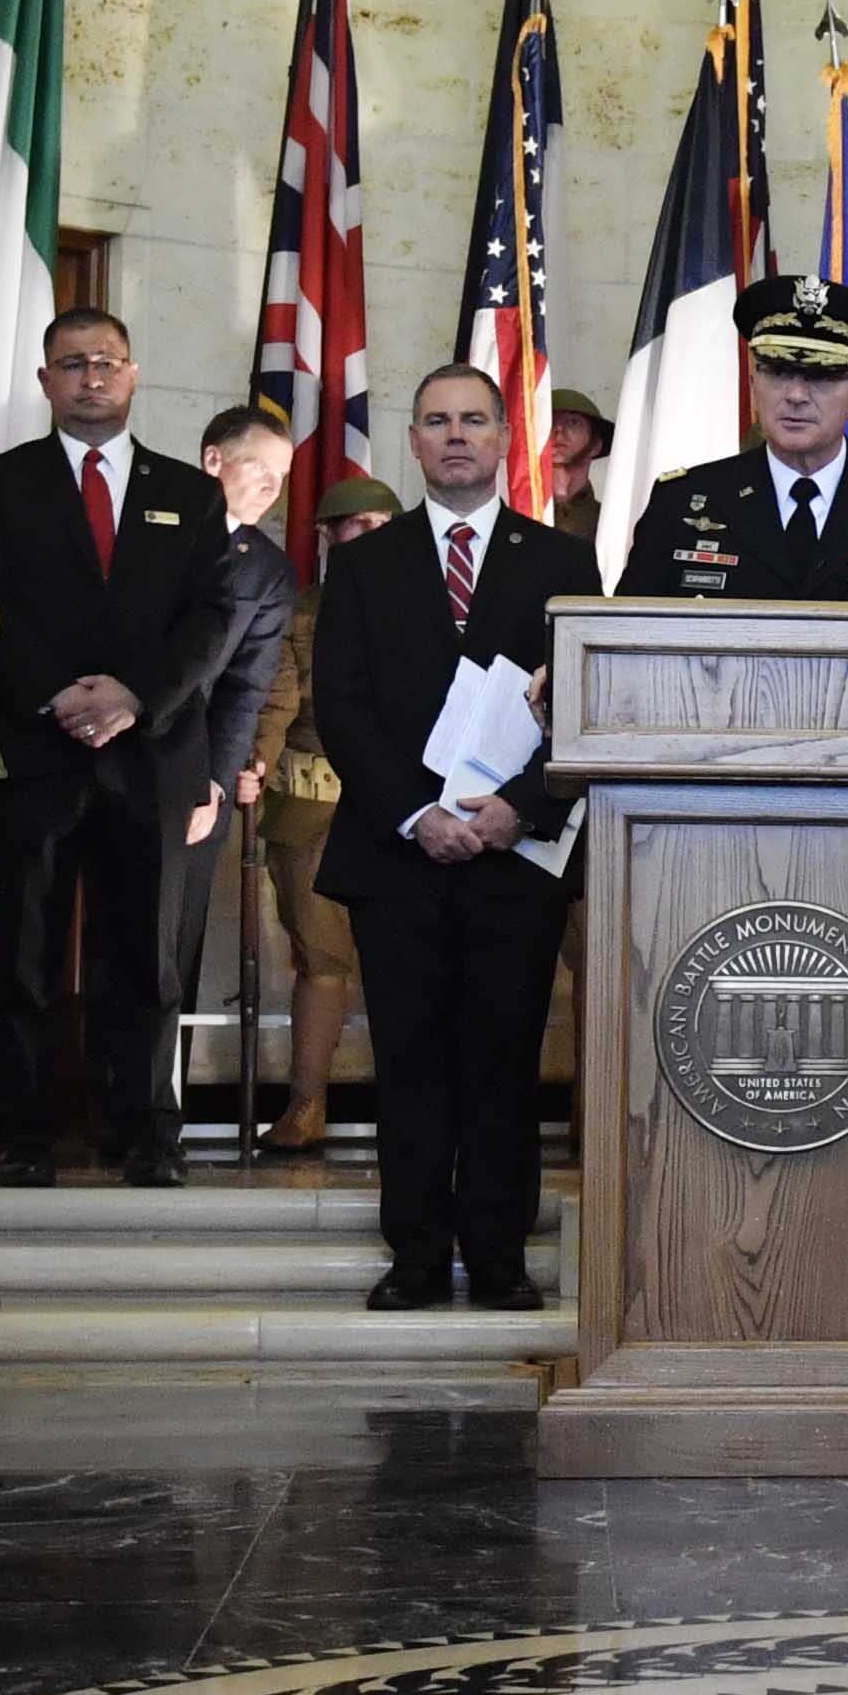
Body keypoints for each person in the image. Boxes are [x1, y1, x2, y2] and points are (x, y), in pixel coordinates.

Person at [314, 366, 594, 1311]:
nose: (456, 435)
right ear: (414, 441)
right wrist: (417, 815)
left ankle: (503, 1259)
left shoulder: (561, 561)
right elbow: (342, 708)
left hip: (517, 857)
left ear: (506, 434)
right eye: (435, 420)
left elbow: (587, 705)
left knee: (506, 1059)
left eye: (474, 419)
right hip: (400, 859)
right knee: (411, 1059)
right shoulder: (363, 562)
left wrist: (519, 806)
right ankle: (419, 1257)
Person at [0, 312, 250, 1184]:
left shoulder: (191, 492)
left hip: (153, 753)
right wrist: (60, 697)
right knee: (26, 953)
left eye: (106, 363)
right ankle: (24, 1134)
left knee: (146, 954)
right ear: (46, 381)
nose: (91, 377)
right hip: (37, 751)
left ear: (133, 376)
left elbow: (209, 620)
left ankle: (146, 1133)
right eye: (71, 364)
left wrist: (134, 698)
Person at [616, 275, 848, 605]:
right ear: (753, 385)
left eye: (819, 377)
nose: (795, 395)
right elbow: (624, 644)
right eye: (778, 372)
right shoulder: (682, 502)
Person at [247, 473, 405, 1146]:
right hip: (313, 808)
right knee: (321, 958)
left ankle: (413, 1111)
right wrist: (251, 765)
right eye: (354, 525)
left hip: (406, 815)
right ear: (326, 538)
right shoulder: (297, 614)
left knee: (409, 963)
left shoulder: (428, 612)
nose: (369, 537)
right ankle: (307, 1103)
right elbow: (276, 701)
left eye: (382, 525)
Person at [161, 403, 304, 1047]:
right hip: (113, 761)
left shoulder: (268, 570)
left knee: (178, 942)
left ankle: (166, 1112)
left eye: (283, 473)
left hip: (199, 776)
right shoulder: (152, 536)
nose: (273, 486)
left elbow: (245, 689)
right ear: (213, 460)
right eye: (259, 467)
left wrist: (215, 784)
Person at [545, 384, 614, 547]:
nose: (558, 430)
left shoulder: (610, 523)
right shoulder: (514, 511)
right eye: (548, 421)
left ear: (596, 445)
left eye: (573, 422)